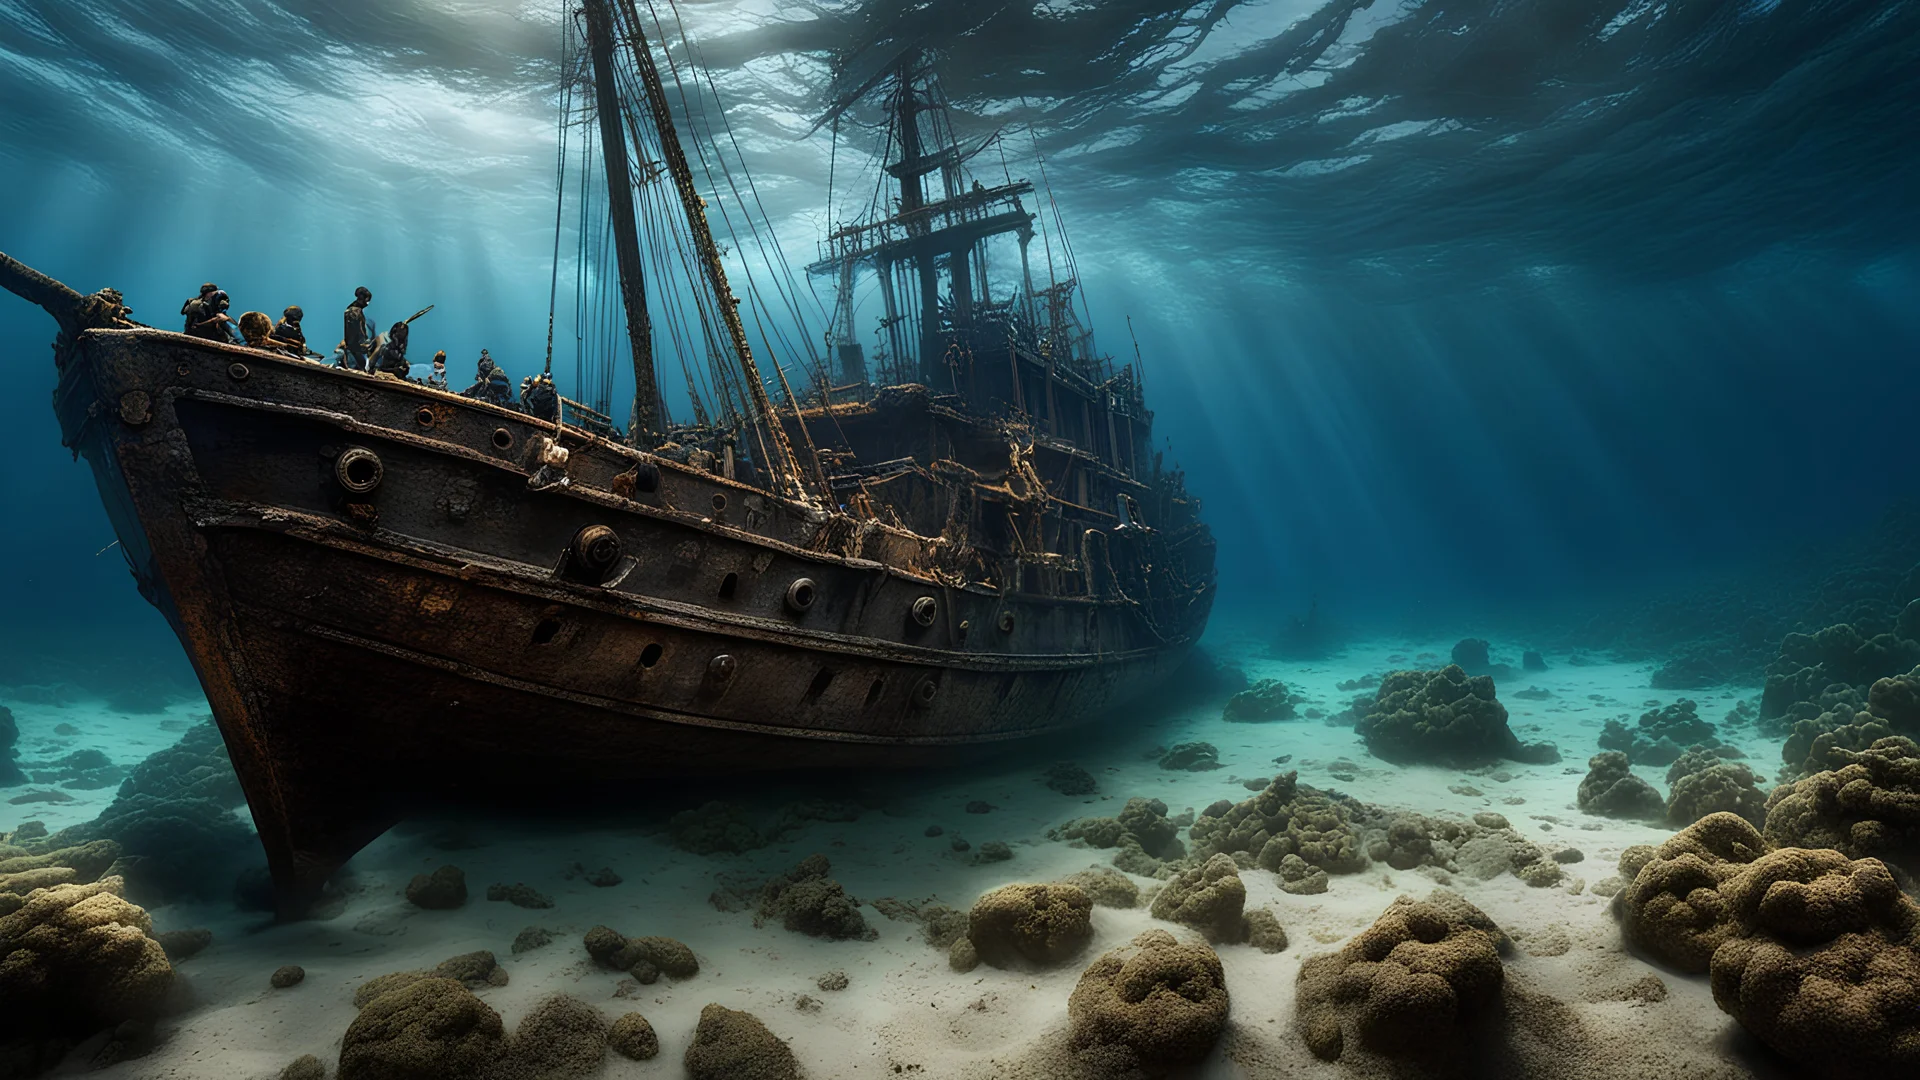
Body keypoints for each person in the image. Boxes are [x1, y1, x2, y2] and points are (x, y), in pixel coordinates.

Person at [341, 286, 373, 371]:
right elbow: (357, 331)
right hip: (355, 349)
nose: (368, 303)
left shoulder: (351, 310)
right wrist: (364, 344)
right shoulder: (355, 312)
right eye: (367, 300)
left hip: (353, 348)